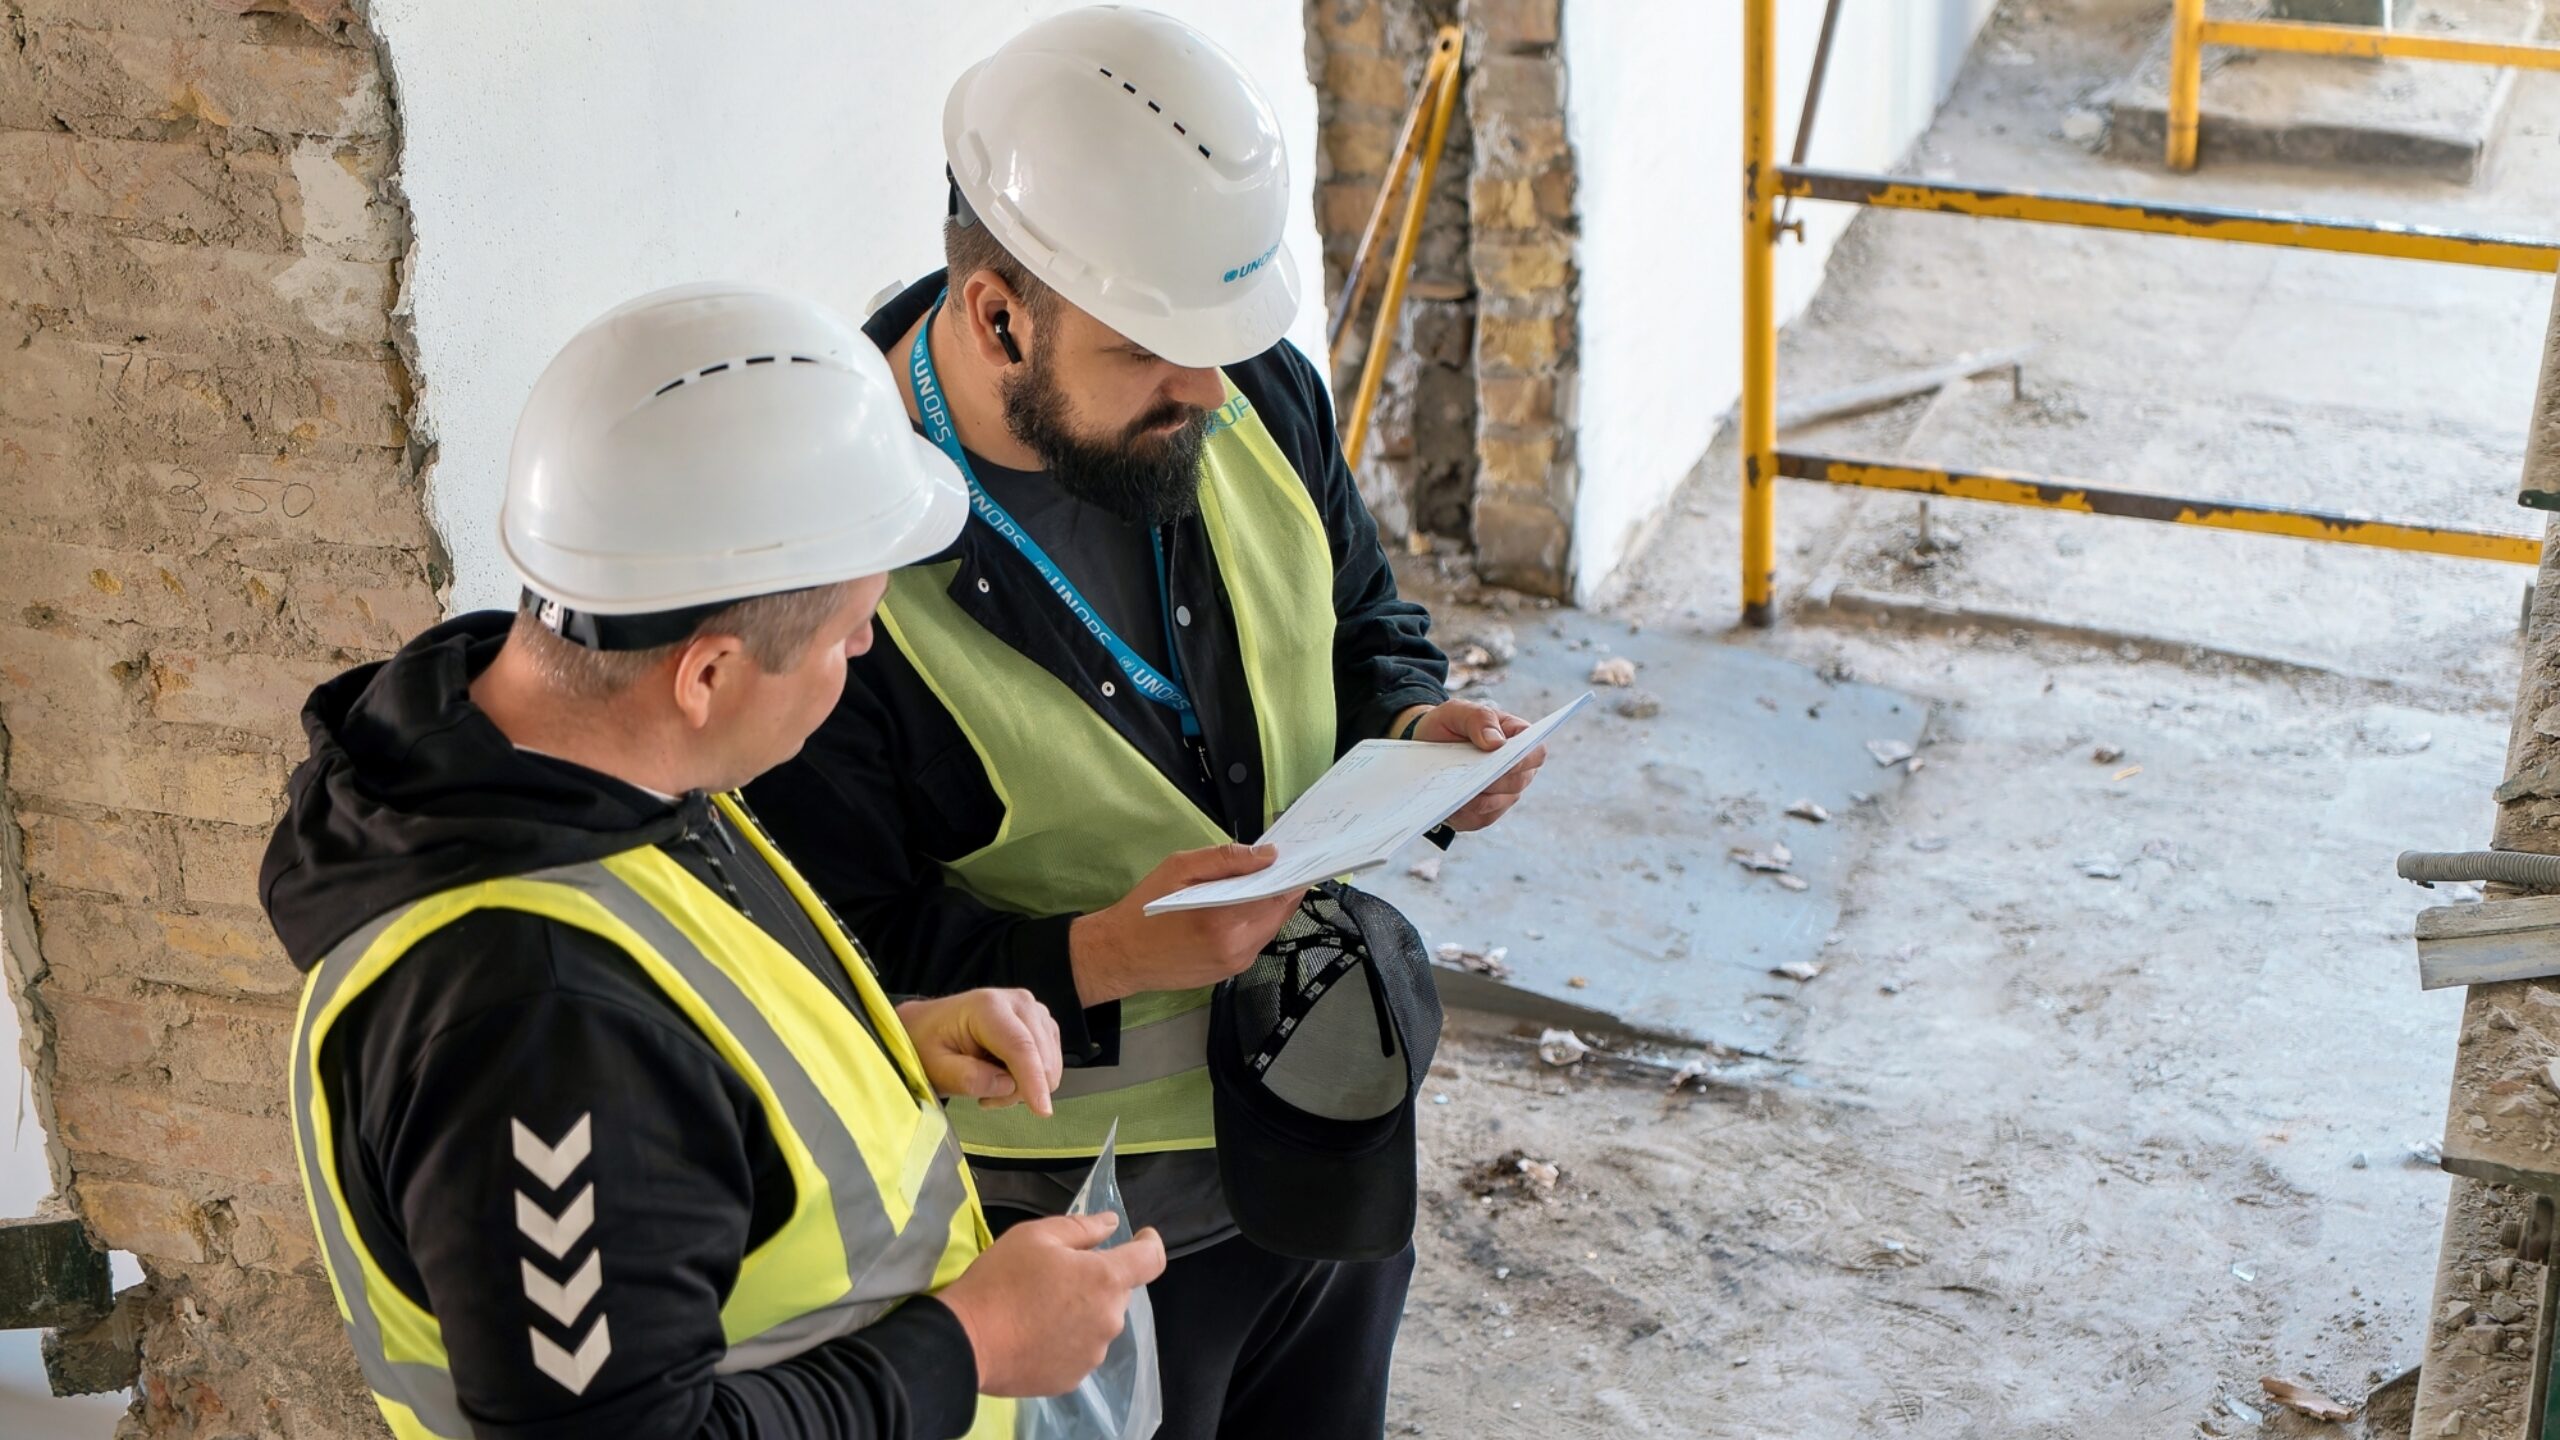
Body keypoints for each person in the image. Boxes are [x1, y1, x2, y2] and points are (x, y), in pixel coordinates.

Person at [744, 10, 1546, 1437]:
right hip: (1070, 1233)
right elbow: (830, 968)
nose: (1213, 395)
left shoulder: (1243, 389)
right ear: (999, 315)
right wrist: (1106, 952)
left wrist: (1413, 722)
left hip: (1326, 1141)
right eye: (1153, 359)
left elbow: (1361, 614)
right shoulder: (820, 573)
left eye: (1228, 347)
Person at [262, 283, 1163, 1440]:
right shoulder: (531, 1020)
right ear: (706, 674)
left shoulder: (574, 771)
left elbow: (683, 1049)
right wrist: (971, 1342)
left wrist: (891, 1035)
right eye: (848, 631)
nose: (864, 647)